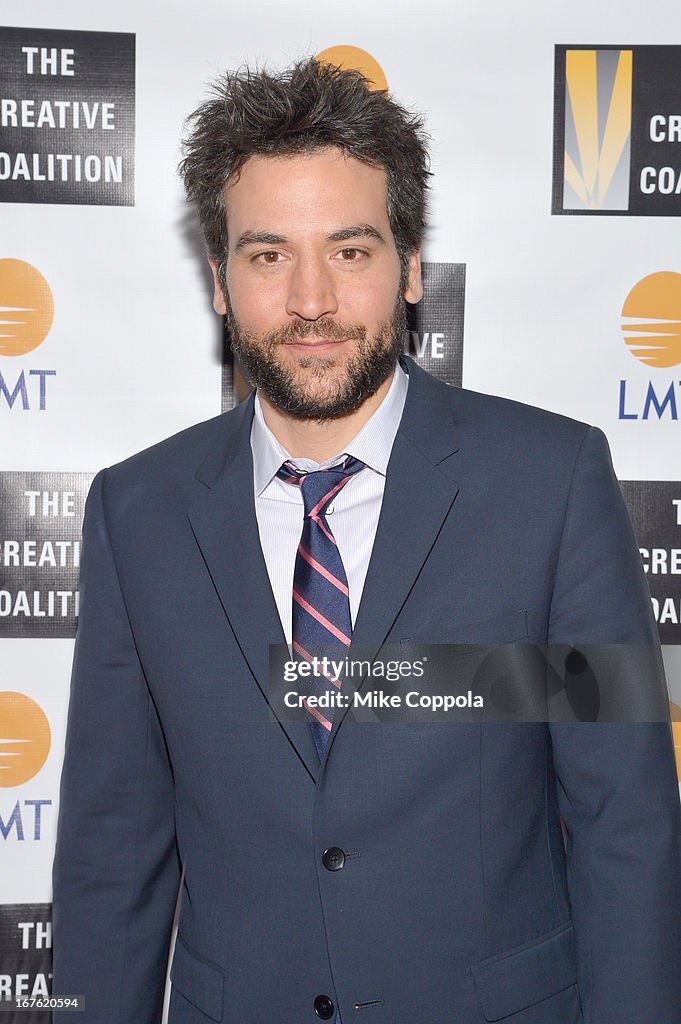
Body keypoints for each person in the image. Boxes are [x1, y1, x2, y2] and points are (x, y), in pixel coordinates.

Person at [52, 58, 681, 1024]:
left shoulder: (549, 483)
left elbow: (625, 824)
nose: (311, 301)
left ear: (410, 264)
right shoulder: (138, 512)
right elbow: (111, 849)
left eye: (349, 251)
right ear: (218, 279)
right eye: (267, 255)